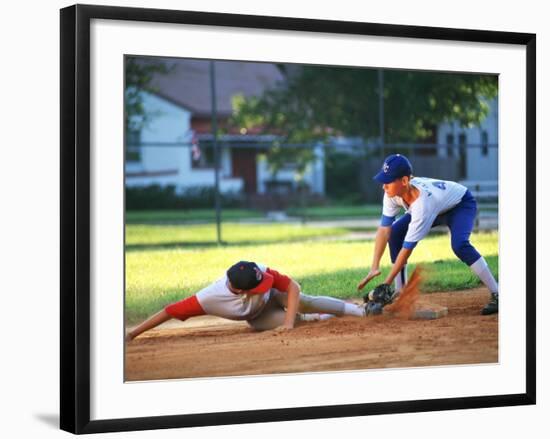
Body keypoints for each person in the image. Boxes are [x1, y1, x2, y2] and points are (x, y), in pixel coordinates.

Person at [357, 154, 499, 315]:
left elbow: (406, 249)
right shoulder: (392, 194)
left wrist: (385, 284)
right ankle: (400, 292)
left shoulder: (422, 207)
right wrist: (374, 266)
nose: (384, 186)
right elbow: (384, 230)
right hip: (436, 205)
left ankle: (498, 293)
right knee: (395, 232)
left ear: (404, 181)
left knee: (460, 245)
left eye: (388, 181)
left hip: (460, 205)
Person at [126, 261, 370, 341]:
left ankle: (360, 311)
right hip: (258, 316)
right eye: (258, 285)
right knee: (284, 322)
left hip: (276, 299)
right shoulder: (210, 298)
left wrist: (289, 325)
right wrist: (132, 334)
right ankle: (316, 319)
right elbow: (169, 311)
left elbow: (293, 287)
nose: (265, 281)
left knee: (303, 300)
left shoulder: (259, 270)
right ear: (243, 291)